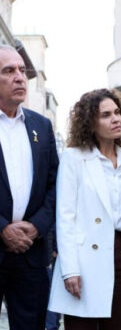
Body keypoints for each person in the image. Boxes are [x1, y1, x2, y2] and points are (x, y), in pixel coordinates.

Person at [48, 88, 121, 330]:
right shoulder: (73, 158)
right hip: (84, 258)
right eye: (106, 115)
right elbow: (65, 217)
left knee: (118, 326)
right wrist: (69, 269)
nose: (115, 119)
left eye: (117, 112)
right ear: (90, 123)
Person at [0, 44, 58, 330]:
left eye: (22, 70)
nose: (19, 77)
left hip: (31, 253)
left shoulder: (42, 127)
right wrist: (2, 228)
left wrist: (36, 226)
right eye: (9, 71)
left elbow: (55, 185)